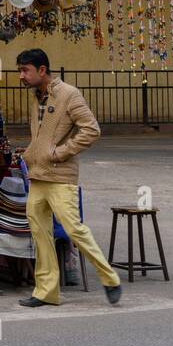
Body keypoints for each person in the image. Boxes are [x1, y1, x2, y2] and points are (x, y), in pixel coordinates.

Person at [15, 49, 122, 307]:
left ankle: (110, 278)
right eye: (20, 70)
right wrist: (30, 153)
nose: (21, 76)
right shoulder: (37, 97)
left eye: (25, 70)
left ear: (42, 70)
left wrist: (59, 153)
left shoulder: (69, 94)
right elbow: (42, 136)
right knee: (40, 235)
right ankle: (46, 292)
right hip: (37, 176)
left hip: (61, 177)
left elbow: (91, 130)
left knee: (75, 229)